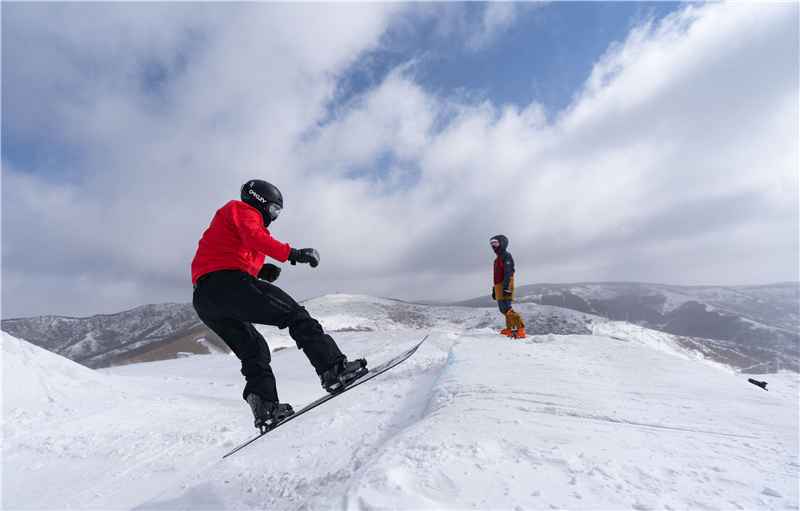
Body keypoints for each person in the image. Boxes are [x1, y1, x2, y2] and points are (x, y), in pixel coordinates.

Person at [191, 179, 367, 432]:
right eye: (274, 210)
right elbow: (255, 237)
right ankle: (334, 370)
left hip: (206, 299)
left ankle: (265, 408)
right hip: (227, 284)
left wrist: (260, 269)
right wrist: (293, 254)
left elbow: (228, 250)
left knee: (254, 350)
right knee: (296, 316)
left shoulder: (231, 222)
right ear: (260, 201)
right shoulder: (242, 210)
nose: (274, 216)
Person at [490, 234, 526, 339]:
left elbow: (508, 272)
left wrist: (506, 287)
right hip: (499, 285)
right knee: (502, 309)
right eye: (492, 243)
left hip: (506, 283)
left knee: (507, 308)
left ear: (502, 243)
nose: (493, 245)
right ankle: (510, 328)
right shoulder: (497, 259)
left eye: (496, 243)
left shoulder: (506, 256)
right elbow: (497, 275)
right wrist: (494, 289)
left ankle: (520, 329)